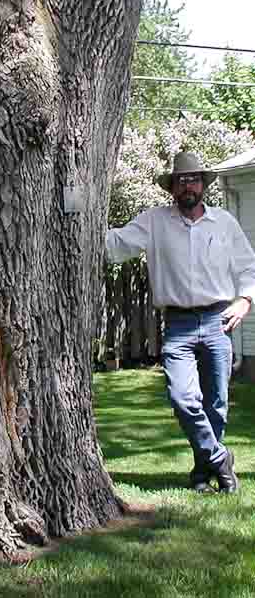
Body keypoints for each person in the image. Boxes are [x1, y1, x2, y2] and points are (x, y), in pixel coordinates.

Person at [106, 151, 255, 494]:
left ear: (203, 185)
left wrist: (244, 300)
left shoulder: (224, 223)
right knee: (183, 398)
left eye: (193, 179)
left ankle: (203, 474)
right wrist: (77, 217)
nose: (188, 185)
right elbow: (115, 245)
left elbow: (247, 268)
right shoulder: (154, 221)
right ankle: (220, 459)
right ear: (172, 187)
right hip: (178, 325)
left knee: (216, 402)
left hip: (219, 321)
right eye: (181, 180)